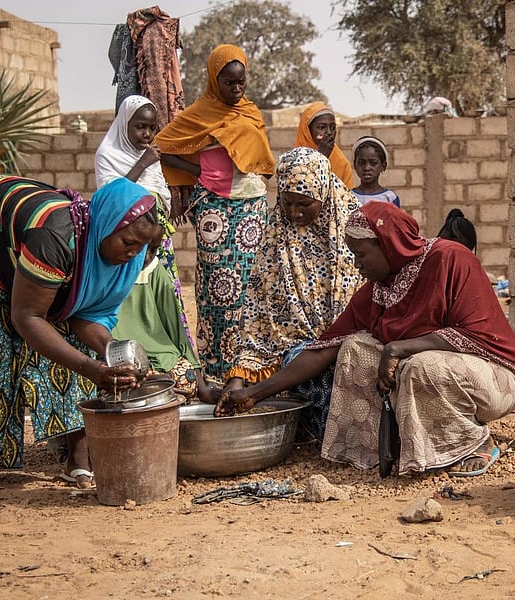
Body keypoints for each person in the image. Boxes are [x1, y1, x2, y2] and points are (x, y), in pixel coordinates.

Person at [217, 202, 515, 476]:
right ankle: (377, 447)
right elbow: (321, 351)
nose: (356, 265)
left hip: (497, 377)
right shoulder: (377, 291)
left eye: (361, 254)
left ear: (387, 244)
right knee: (353, 349)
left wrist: (400, 347)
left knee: (421, 365)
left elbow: (475, 335)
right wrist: (255, 394)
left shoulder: (451, 260)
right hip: (434, 375)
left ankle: (473, 442)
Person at [0, 175, 162, 494]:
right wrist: (92, 369)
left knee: (74, 347)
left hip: (37, 247)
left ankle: (77, 456)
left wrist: (111, 353)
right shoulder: (55, 239)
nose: (132, 254)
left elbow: (85, 315)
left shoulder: (122, 253)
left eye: (141, 247)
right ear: (107, 225)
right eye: (127, 243)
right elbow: (27, 316)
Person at [221, 147, 361, 439]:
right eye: (287, 202)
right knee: (307, 367)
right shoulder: (275, 240)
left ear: (323, 194)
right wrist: (238, 379)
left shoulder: (354, 234)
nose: (295, 213)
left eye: (304, 204)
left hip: (352, 345)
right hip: (295, 357)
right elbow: (256, 319)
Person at [155, 44, 274, 381]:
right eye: (229, 83)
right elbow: (162, 147)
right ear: (214, 80)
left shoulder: (251, 113)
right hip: (214, 208)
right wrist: (198, 175)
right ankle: (217, 367)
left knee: (251, 284)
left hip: (252, 205)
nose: (236, 89)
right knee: (219, 286)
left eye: (241, 82)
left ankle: (247, 366)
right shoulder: (199, 114)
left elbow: (260, 158)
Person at [96, 95, 203, 398]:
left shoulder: (152, 157)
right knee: (128, 298)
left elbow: (160, 197)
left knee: (163, 299)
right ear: (123, 125)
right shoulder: (109, 154)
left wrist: (156, 234)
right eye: (139, 127)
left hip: (156, 239)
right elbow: (113, 198)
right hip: (125, 240)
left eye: (151, 128)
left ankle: (169, 350)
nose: (146, 134)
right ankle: (126, 353)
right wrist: (142, 164)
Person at [295, 102, 354, 189]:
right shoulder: (294, 160)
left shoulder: (341, 163)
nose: (329, 132)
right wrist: (320, 158)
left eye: (333, 127)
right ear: (308, 131)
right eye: (321, 127)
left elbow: (347, 198)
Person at [351, 136, 400, 207]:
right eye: (361, 163)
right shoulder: (349, 196)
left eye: (373, 163)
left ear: (383, 166)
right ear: (355, 165)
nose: (366, 168)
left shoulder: (390, 198)